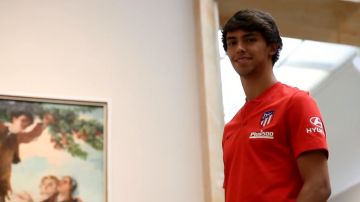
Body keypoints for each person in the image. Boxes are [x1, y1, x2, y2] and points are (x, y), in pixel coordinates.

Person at [221, 9, 331, 202]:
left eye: (249, 39)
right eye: (232, 42)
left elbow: (319, 186)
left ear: (272, 47)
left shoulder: (296, 103)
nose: (239, 48)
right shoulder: (231, 126)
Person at [0, 111, 54, 202]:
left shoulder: (17, 137)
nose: (24, 124)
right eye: (23, 120)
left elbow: (31, 135)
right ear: (14, 119)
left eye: (27, 124)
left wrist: (45, 123)